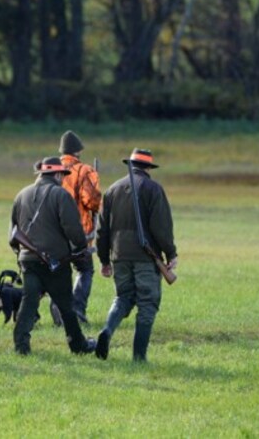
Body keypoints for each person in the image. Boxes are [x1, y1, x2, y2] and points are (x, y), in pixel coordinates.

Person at [95, 148, 177, 362]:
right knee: (147, 304)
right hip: (145, 257)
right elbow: (162, 227)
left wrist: (104, 260)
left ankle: (107, 331)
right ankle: (139, 358)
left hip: (119, 254)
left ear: (130, 165)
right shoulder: (153, 189)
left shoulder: (112, 189)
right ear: (148, 167)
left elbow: (102, 230)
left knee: (123, 298)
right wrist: (170, 253)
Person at [10, 157, 96, 356]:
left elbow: (12, 234)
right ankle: (78, 346)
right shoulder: (60, 195)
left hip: (28, 260)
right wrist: (81, 248)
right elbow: (73, 229)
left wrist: (22, 254)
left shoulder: (21, 194)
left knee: (29, 302)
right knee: (66, 306)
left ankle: (21, 347)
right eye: (62, 175)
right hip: (55, 262)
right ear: (57, 174)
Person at [58, 130, 101, 323]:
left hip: (54, 233)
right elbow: (91, 200)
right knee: (85, 270)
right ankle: (77, 310)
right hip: (80, 233)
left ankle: (59, 312)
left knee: (58, 272)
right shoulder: (85, 170)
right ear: (78, 151)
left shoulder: (51, 168)